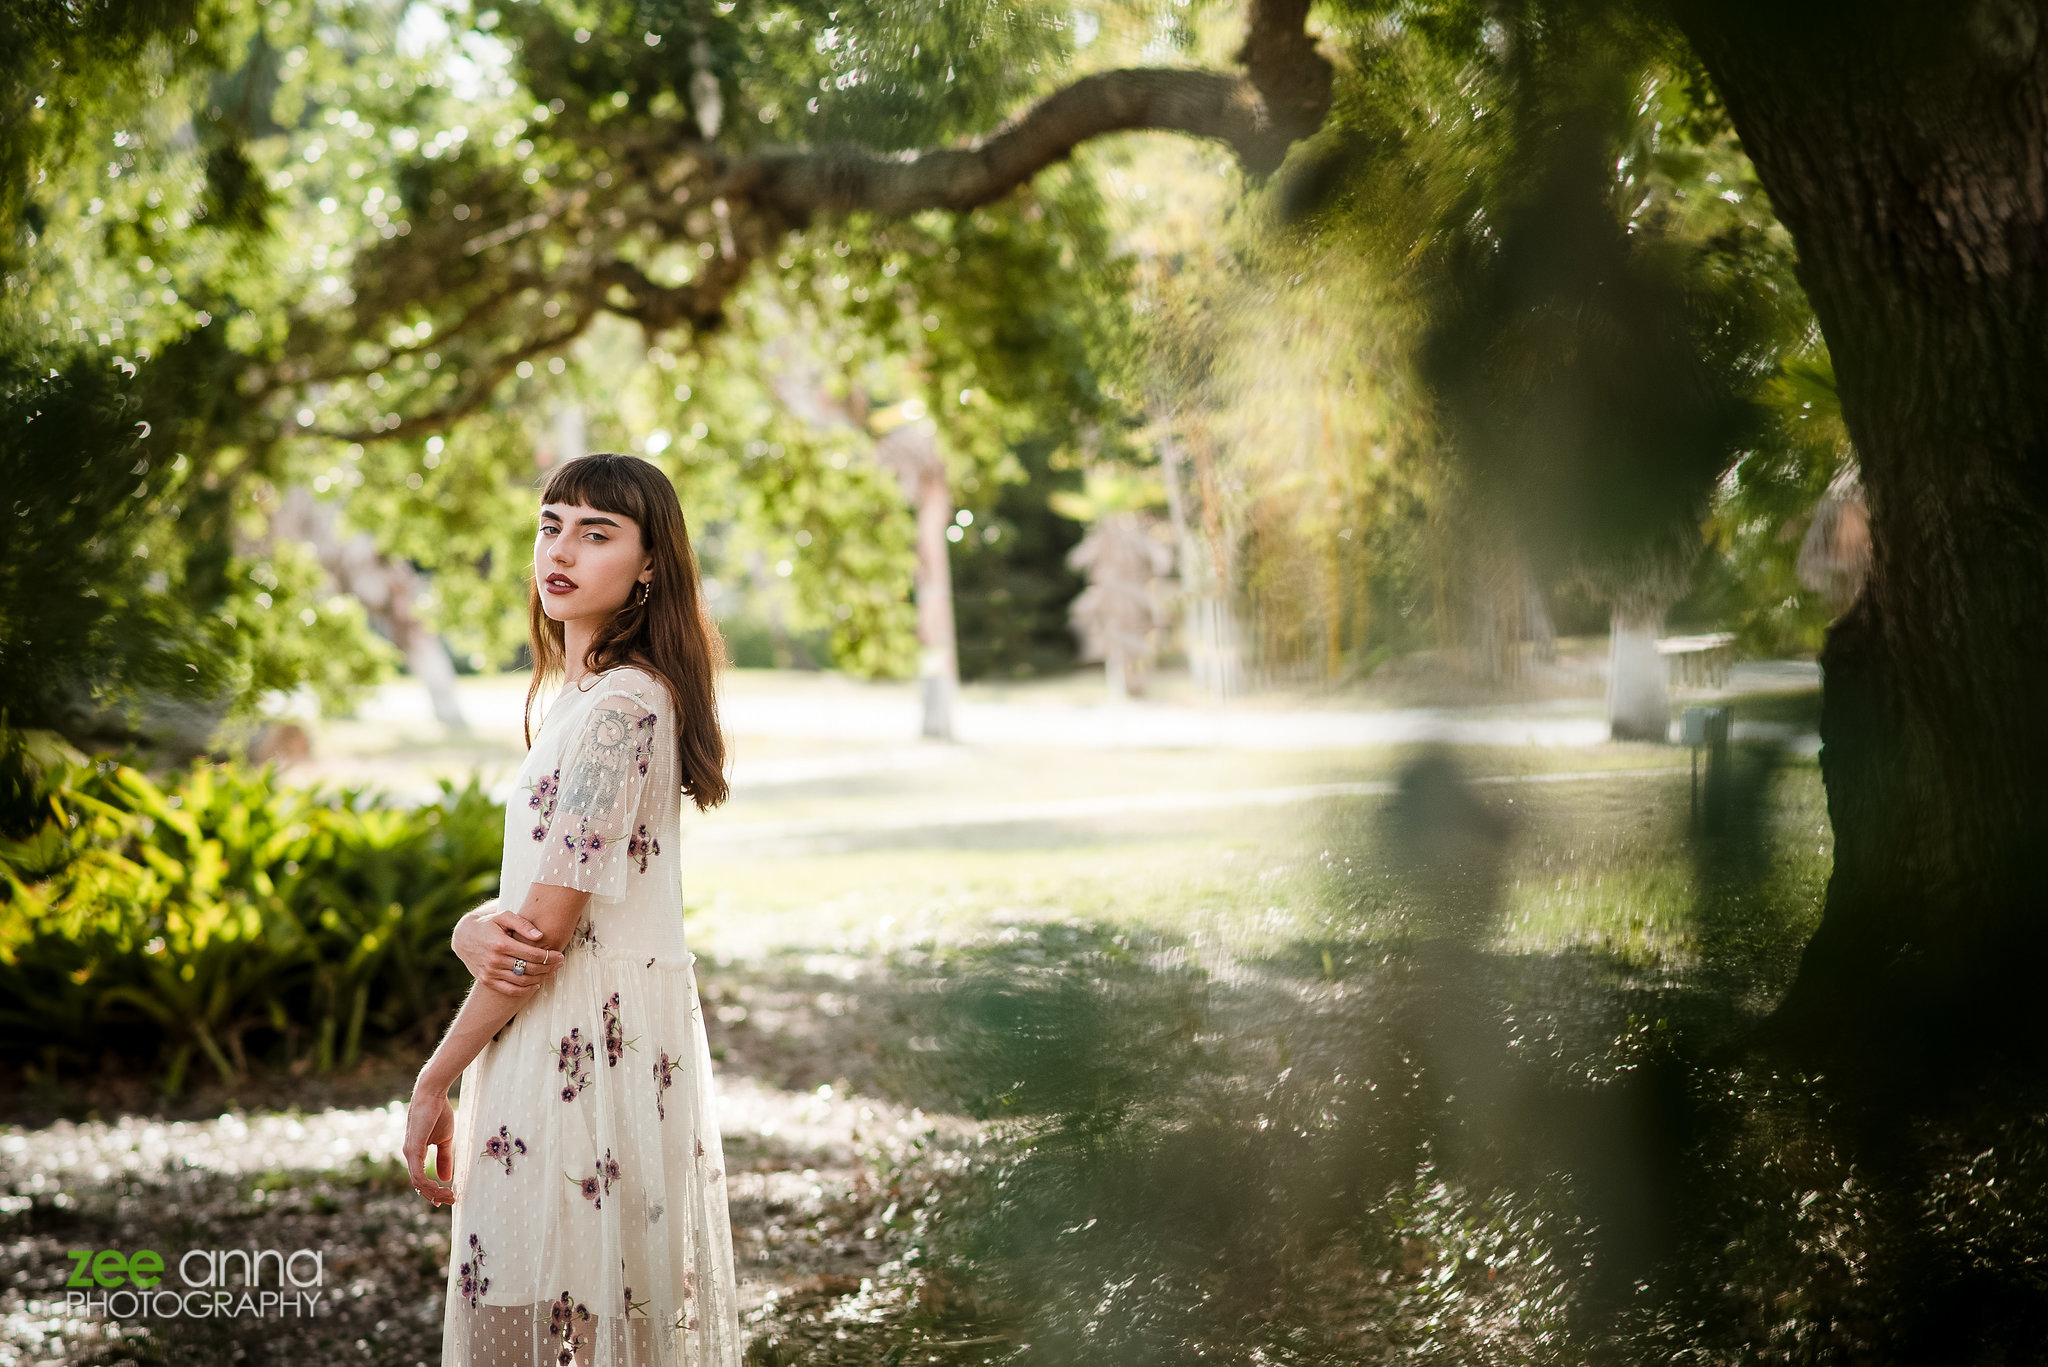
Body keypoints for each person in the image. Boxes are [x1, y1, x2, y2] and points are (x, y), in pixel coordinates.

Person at [403, 452, 739, 1367]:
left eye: (596, 533)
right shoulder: (587, 695)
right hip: (576, 1037)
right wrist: (474, 922)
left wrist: (434, 1079)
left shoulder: (622, 705)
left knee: (531, 1333)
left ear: (649, 564)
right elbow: (558, 891)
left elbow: (542, 937)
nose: (560, 550)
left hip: (581, 1048)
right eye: (551, 526)